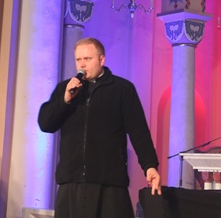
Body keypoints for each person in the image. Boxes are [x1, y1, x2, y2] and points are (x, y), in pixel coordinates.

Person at [38, 37, 161, 218]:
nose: (82, 65)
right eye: (78, 60)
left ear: (101, 60)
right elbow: (45, 124)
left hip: (109, 184)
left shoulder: (122, 89)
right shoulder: (65, 88)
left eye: (87, 59)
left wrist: (149, 166)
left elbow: (139, 131)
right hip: (71, 182)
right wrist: (64, 100)